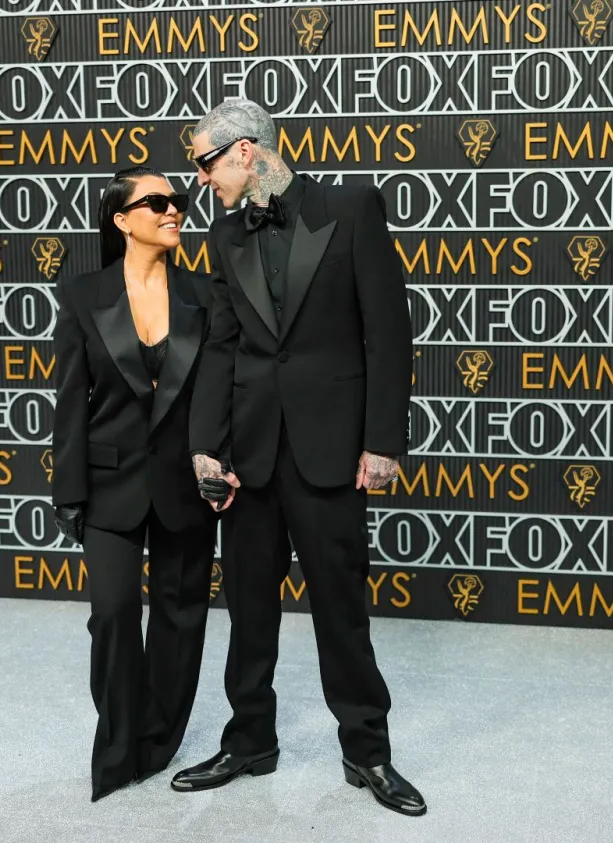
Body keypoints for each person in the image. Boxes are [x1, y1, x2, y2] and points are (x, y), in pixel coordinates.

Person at [175, 99, 426, 817]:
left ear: (246, 152)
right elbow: (221, 346)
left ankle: (367, 749)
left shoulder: (349, 208)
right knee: (249, 606)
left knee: (341, 608)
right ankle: (250, 738)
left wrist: (382, 441)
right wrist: (205, 447)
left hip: (330, 450)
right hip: (250, 452)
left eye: (206, 163)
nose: (201, 179)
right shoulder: (225, 233)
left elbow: (388, 331)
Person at [50, 166, 218, 802]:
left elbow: (218, 394)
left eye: (176, 202)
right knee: (115, 614)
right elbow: (69, 404)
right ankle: (118, 740)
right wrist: (69, 493)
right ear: (121, 220)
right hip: (108, 483)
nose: (173, 210)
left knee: (181, 617)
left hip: (185, 485)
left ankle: (159, 737)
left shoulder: (204, 293)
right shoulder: (83, 294)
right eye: (156, 203)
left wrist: (218, 462)